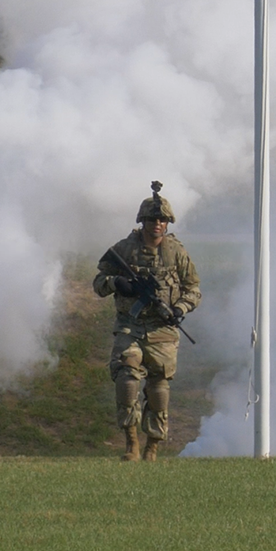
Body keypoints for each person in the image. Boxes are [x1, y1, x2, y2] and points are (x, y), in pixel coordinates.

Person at [92, 181, 201, 461]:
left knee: (158, 389)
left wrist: (180, 309)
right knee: (127, 380)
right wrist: (117, 282)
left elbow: (193, 289)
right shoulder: (123, 250)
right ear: (142, 221)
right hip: (130, 326)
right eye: (152, 218)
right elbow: (99, 282)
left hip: (163, 329)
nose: (157, 224)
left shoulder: (176, 252)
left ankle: (152, 446)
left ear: (167, 223)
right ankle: (131, 444)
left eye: (162, 219)